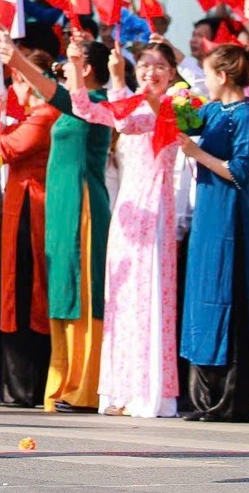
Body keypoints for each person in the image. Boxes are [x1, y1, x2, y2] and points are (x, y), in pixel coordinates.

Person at [71, 43, 183, 419]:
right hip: (127, 214)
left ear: (172, 73)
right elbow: (85, 109)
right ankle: (121, 389)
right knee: (121, 303)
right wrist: (74, 65)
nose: (152, 71)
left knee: (149, 302)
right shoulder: (132, 101)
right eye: (146, 65)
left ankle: (149, 391)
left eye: (161, 66)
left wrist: (118, 80)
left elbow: (129, 120)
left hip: (155, 212)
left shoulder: (176, 106)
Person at [4, 38, 113, 413]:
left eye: (70, 61)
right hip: (60, 205)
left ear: (87, 68)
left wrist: (18, 58)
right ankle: (62, 382)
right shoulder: (69, 108)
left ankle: (85, 386)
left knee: (83, 290)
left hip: (83, 201)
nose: (62, 67)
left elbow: (54, 92)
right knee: (63, 288)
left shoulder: (96, 105)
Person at [175, 43, 249, 422]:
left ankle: (230, 398)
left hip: (228, 212)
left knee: (228, 293)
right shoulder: (210, 110)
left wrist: (198, 154)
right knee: (202, 292)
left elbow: (240, 172)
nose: (205, 81)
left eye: (209, 74)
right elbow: (185, 120)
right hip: (206, 210)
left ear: (223, 76)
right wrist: (177, 102)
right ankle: (203, 396)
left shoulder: (245, 115)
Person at [0, 42, 58, 408]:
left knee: (27, 292)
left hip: (33, 210)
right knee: (15, 291)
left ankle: (26, 384)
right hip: (21, 207)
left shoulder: (45, 115)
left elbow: (7, 149)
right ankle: (18, 384)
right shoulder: (34, 116)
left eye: (18, 80)